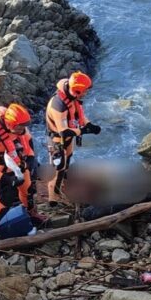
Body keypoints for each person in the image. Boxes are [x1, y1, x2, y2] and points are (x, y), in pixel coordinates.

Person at [0, 103, 47, 238]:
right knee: (3, 206)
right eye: (20, 127)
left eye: (24, 127)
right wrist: (6, 179)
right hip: (2, 172)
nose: (23, 130)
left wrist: (31, 159)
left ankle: (32, 215)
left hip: (20, 166)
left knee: (28, 192)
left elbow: (28, 143)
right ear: (10, 124)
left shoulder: (21, 129)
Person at [45, 71, 101, 206]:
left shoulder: (71, 94)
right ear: (77, 91)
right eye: (84, 91)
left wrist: (88, 125)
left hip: (69, 138)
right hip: (57, 141)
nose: (86, 93)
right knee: (57, 169)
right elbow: (64, 132)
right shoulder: (59, 106)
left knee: (68, 158)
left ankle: (64, 178)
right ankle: (54, 198)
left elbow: (77, 114)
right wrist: (82, 130)